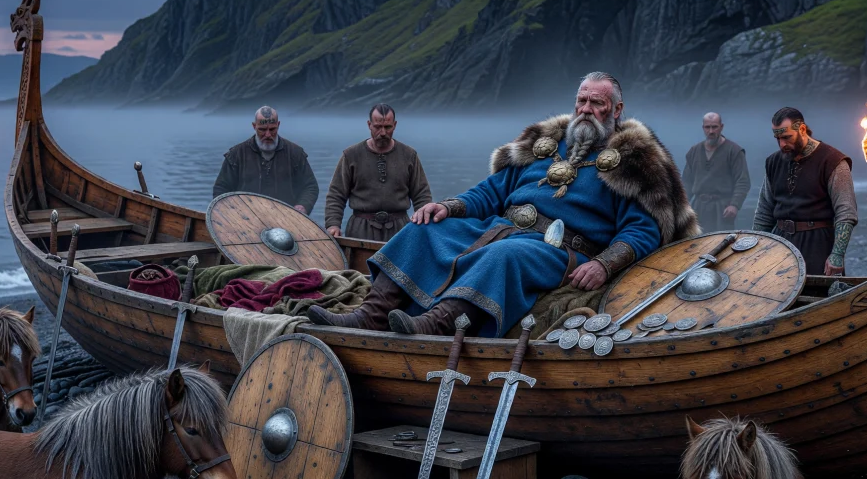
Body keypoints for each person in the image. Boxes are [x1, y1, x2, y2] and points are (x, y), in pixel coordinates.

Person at [307, 72, 697, 336]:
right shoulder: (543, 146)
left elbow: (644, 229)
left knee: (505, 255)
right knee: (424, 229)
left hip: (562, 250)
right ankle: (370, 315)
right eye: (582, 101)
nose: (586, 110)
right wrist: (448, 207)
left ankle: (436, 324)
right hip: (501, 228)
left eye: (597, 103)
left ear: (617, 110)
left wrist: (604, 264)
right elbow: (491, 192)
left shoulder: (634, 162)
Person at [751, 107, 857, 275]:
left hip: (817, 244)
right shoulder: (774, 162)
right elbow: (764, 211)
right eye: (778, 139)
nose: (782, 144)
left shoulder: (832, 161)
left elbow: (846, 212)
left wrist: (837, 254)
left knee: (816, 290)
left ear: (801, 129)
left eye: (787, 137)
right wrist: (755, 248)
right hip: (780, 244)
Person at [323, 104, 433, 242]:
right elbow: (336, 194)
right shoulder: (351, 155)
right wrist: (333, 224)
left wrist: (425, 226)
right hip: (361, 229)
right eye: (377, 127)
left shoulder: (409, 155)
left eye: (388, 127)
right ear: (369, 125)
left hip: (400, 229)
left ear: (395, 125)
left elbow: (421, 195)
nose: (383, 133)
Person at [211, 106, 319, 214]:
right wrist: (230, 212)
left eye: (272, 129)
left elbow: (310, 186)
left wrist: (302, 206)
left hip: (286, 218)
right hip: (245, 218)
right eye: (262, 129)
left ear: (278, 125)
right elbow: (221, 189)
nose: (268, 135)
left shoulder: (295, 154)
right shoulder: (236, 155)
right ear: (254, 126)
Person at [682, 112, 750, 232]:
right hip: (698, 208)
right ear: (703, 128)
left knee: (721, 239)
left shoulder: (734, 151)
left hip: (722, 209)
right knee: (696, 240)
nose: (711, 131)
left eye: (714, 127)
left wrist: (734, 205)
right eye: (707, 127)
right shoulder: (694, 151)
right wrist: (683, 206)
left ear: (721, 127)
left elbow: (742, 181)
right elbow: (687, 182)